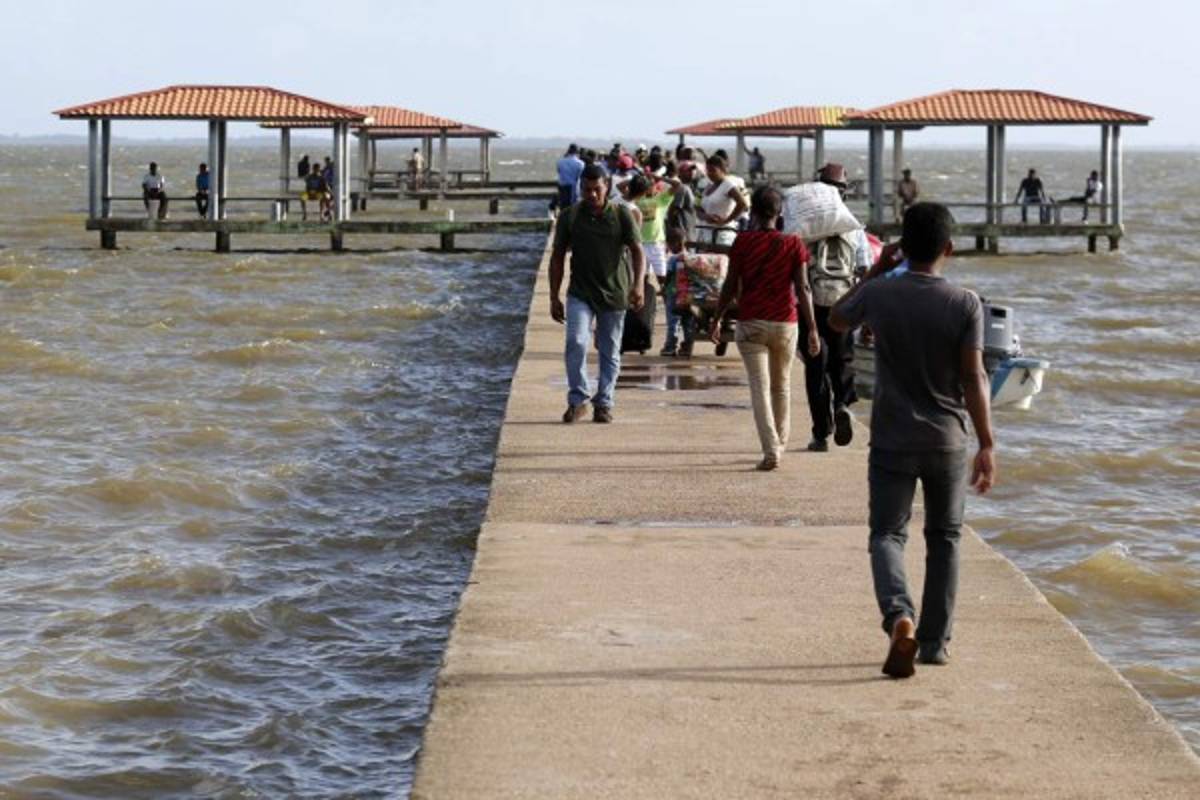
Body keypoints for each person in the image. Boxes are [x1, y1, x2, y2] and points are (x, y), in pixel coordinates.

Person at [829, 201, 995, 679]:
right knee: (944, 538)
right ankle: (935, 644)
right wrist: (987, 443)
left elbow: (838, 318)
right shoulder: (965, 303)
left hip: (892, 440)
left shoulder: (881, 293)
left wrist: (879, 269)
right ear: (949, 247)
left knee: (886, 534)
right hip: (947, 440)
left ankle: (900, 616)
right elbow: (974, 376)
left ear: (902, 245)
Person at [711, 186, 819, 471]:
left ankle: (771, 449)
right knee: (781, 386)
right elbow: (803, 288)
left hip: (751, 324)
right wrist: (813, 329)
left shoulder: (743, 243)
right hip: (786, 323)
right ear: (780, 212)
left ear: (754, 212)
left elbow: (730, 285)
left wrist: (717, 317)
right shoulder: (794, 244)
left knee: (760, 389)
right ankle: (779, 444)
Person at [549, 163, 646, 424]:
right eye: (586, 189)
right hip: (580, 292)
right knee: (576, 342)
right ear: (580, 188)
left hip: (615, 293)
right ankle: (578, 399)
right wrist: (553, 296)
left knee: (609, 350)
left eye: (597, 189)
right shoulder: (570, 216)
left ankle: (603, 402)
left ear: (607, 188)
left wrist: (638, 286)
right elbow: (557, 256)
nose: (591, 195)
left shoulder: (622, 215)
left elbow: (638, 251)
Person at [801, 163, 873, 453]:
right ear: (844, 192)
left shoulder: (805, 224)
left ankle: (821, 434)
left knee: (815, 368)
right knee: (842, 361)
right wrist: (867, 316)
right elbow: (866, 272)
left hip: (812, 305)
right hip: (845, 303)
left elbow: (798, 269)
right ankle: (842, 403)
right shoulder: (854, 227)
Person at [698, 155, 749, 247]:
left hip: (723, 235)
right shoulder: (709, 186)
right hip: (706, 234)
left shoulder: (728, 185)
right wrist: (705, 216)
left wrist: (726, 220)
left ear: (722, 170)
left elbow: (742, 204)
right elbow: (699, 208)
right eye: (707, 170)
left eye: (713, 170)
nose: (709, 173)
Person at [556, 144, 585, 211]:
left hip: (562, 186)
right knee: (573, 207)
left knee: (563, 206)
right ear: (577, 152)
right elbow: (580, 177)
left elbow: (559, 171)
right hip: (573, 187)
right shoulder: (580, 163)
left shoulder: (560, 162)